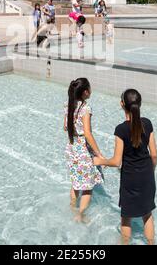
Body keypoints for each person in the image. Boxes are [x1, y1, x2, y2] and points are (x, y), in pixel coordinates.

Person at [94, 89, 157, 245]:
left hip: (130, 179)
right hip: (147, 175)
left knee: (126, 216)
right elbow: (154, 155)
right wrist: (151, 172)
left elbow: (116, 162)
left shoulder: (121, 129)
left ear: (122, 104)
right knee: (147, 214)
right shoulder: (147, 123)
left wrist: (99, 161)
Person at [64, 78, 104, 223]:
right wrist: (99, 154)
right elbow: (87, 133)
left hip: (71, 147)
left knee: (75, 182)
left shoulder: (68, 105)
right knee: (87, 186)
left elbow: (65, 126)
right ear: (86, 92)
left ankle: (72, 208)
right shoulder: (86, 108)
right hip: (82, 149)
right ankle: (80, 215)